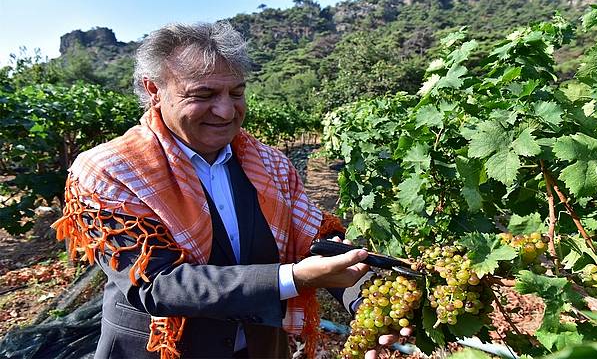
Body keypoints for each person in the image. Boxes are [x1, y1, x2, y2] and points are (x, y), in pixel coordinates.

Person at [53, 21, 407, 359]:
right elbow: (156, 284)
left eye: (236, 93)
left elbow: (315, 241)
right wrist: (293, 278)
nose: (225, 111)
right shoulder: (108, 172)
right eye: (203, 94)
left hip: (260, 347)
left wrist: (366, 300)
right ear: (154, 90)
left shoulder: (270, 165)